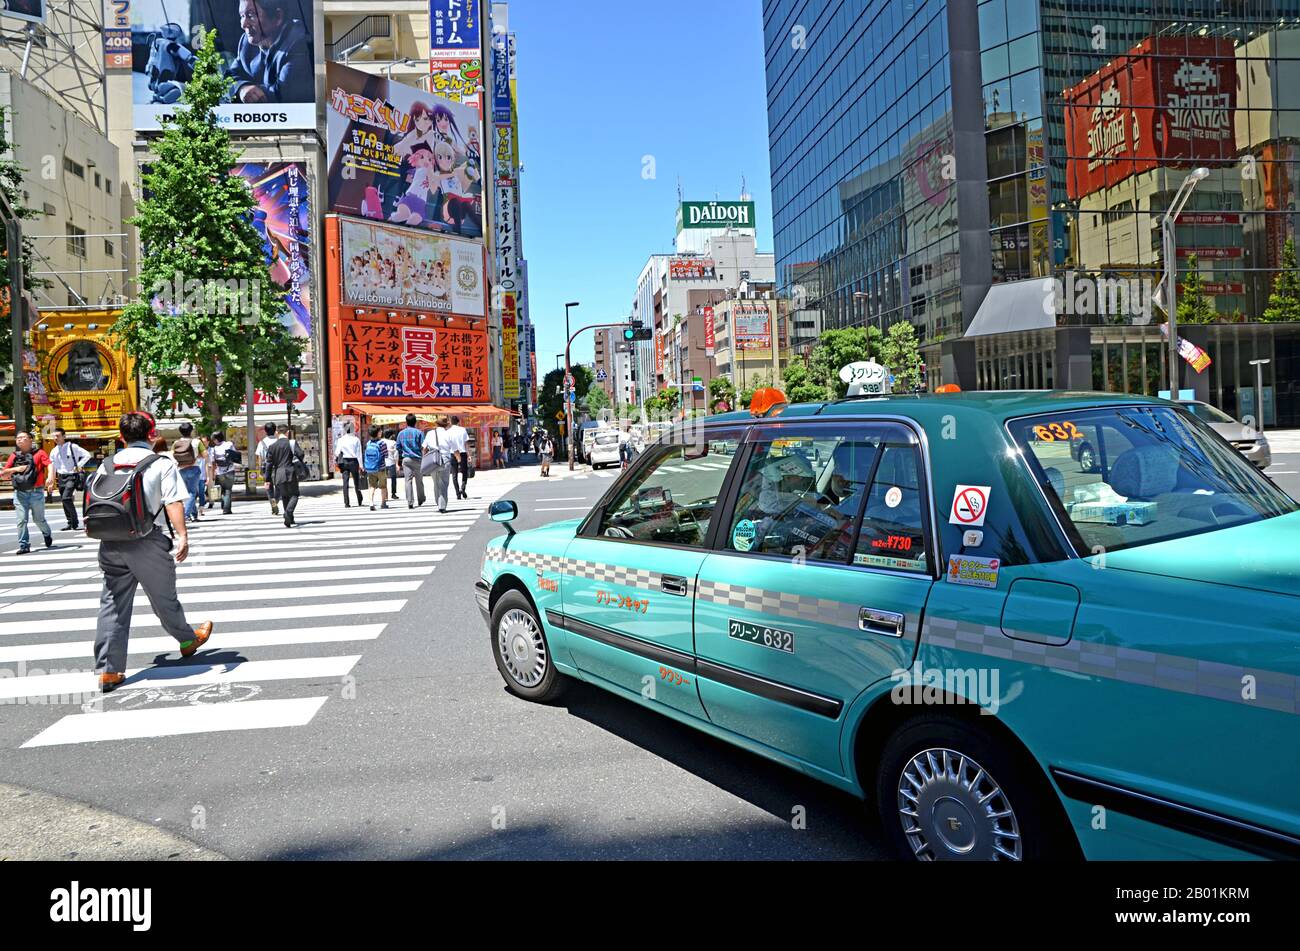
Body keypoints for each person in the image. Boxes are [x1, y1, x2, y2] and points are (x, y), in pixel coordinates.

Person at [91, 412, 212, 693]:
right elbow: (172, 502)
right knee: (163, 598)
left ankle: (109, 671)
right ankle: (187, 640)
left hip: (110, 540)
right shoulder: (161, 463)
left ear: (121, 437)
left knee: (112, 602)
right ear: (152, 434)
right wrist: (182, 536)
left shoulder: (106, 464)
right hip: (146, 538)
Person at [226, 0, 314, 105]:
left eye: (250, 15)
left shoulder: (299, 42)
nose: (244, 24)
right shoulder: (247, 42)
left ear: (278, 17)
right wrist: (242, 88)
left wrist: (251, 92)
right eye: (242, 16)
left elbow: (282, 94)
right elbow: (229, 77)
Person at [2, 431, 53, 554]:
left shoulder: (39, 453)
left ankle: (47, 533)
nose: (19, 440)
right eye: (18, 438)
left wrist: (50, 476)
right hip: (20, 493)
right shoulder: (14, 456)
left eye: (23, 438)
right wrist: (16, 469)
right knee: (21, 520)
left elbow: (50, 464)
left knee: (38, 519)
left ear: (31, 440)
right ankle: (24, 545)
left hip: (37, 491)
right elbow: (4, 473)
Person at [48, 428, 91, 531]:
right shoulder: (54, 451)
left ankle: (75, 521)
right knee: (64, 500)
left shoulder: (72, 446)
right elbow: (53, 466)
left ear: (64, 436)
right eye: (54, 436)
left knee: (66, 498)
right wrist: (51, 481)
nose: (55, 438)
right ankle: (70, 523)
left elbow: (87, 455)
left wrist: (79, 465)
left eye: (58, 436)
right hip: (61, 477)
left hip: (72, 476)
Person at [265, 425, 303, 528]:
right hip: (291, 471)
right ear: (287, 432)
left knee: (285, 496)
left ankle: (290, 519)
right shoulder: (292, 443)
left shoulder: (272, 446)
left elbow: (268, 464)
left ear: (277, 433)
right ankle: (288, 512)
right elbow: (301, 454)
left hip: (278, 474)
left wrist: (267, 479)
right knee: (294, 494)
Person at [172, 422, 205, 524]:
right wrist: (197, 455)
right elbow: (205, 455)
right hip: (193, 468)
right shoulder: (196, 442)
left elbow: (172, 455)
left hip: (180, 470)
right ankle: (185, 515)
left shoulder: (176, 443)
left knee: (187, 493)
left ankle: (193, 515)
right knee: (192, 493)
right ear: (191, 431)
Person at [423, 416, 454, 512]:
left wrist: (424, 458)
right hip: (445, 459)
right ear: (446, 425)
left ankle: (438, 502)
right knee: (444, 483)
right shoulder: (449, 434)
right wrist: (458, 458)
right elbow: (454, 448)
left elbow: (424, 448)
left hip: (433, 460)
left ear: (436, 424)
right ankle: (442, 505)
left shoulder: (430, 433)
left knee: (436, 483)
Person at [396, 414, 427, 509]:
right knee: (419, 480)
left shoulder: (401, 433)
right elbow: (423, 446)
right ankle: (421, 498)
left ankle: (410, 501)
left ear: (406, 422)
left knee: (408, 480)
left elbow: (398, 447)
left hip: (406, 459)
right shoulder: (419, 433)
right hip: (418, 459)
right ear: (415, 422)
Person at [209, 430, 238, 515]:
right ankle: (226, 508)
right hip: (230, 470)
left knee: (222, 490)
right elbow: (235, 455)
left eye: (213, 439)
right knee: (228, 490)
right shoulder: (229, 444)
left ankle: (224, 506)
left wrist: (213, 473)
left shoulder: (214, 449)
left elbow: (212, 462)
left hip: (219, 471)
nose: (213, 441)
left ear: (216, 439)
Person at [335, 421, 364, 508]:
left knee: (345, 482)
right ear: (352, 429)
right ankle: (359, 499)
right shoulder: (356, 439)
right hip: (354, 461)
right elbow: (359, 454)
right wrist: (361, 466)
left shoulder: (341, 440)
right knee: (356, 482)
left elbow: (337, 452)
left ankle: (346, 502)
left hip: (344, 461)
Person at [362, 425, 389, 512]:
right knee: (383, 486)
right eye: (380, 431)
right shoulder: (382, 443)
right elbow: (386, 455)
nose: (381, 432)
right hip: (380, 468)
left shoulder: (368, 443)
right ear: (377, 433)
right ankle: (383, 503)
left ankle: (371, 503)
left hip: (370, 468)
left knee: (372, 486)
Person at [256, 422, 280, 516]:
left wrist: (259, 470)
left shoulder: (262, 443)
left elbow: (260, 458)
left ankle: (272, 502)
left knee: (268, 488)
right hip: (278, 467)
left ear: (265, 431)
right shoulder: (278, 441)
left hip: (266, 468)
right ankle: (276, 501)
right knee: (279, 487)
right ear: (275, 430)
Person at [445, 415, 470, 500]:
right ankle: (463, 488)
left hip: (452, 454)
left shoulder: (448, 431)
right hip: (462, 453)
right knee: (464, 472)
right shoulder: (463, 430)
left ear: (451, 422)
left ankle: (457, 493)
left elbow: (447, 445)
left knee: (454, 474)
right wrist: (469, 455)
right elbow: (466, 444)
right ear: (458, 422)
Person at [382, 428, 399, 501]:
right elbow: (396, 454)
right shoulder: (393, 442)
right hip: (391, 462)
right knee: (393, 478)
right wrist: (397, 464)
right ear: (391, 435)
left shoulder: (381, 441)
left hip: (383, 463)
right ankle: (393, 493)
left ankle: (385, 494)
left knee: (384, 479)